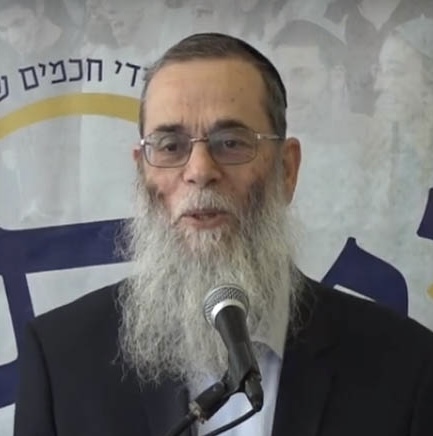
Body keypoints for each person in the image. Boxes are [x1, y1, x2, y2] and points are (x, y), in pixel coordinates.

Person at [13, 33, 433, 436]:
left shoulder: (404, 365)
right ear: (142, 172)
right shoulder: (61, 359)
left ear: (286, 170)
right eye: (170, 146)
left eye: (231, 143)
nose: (199, 171)